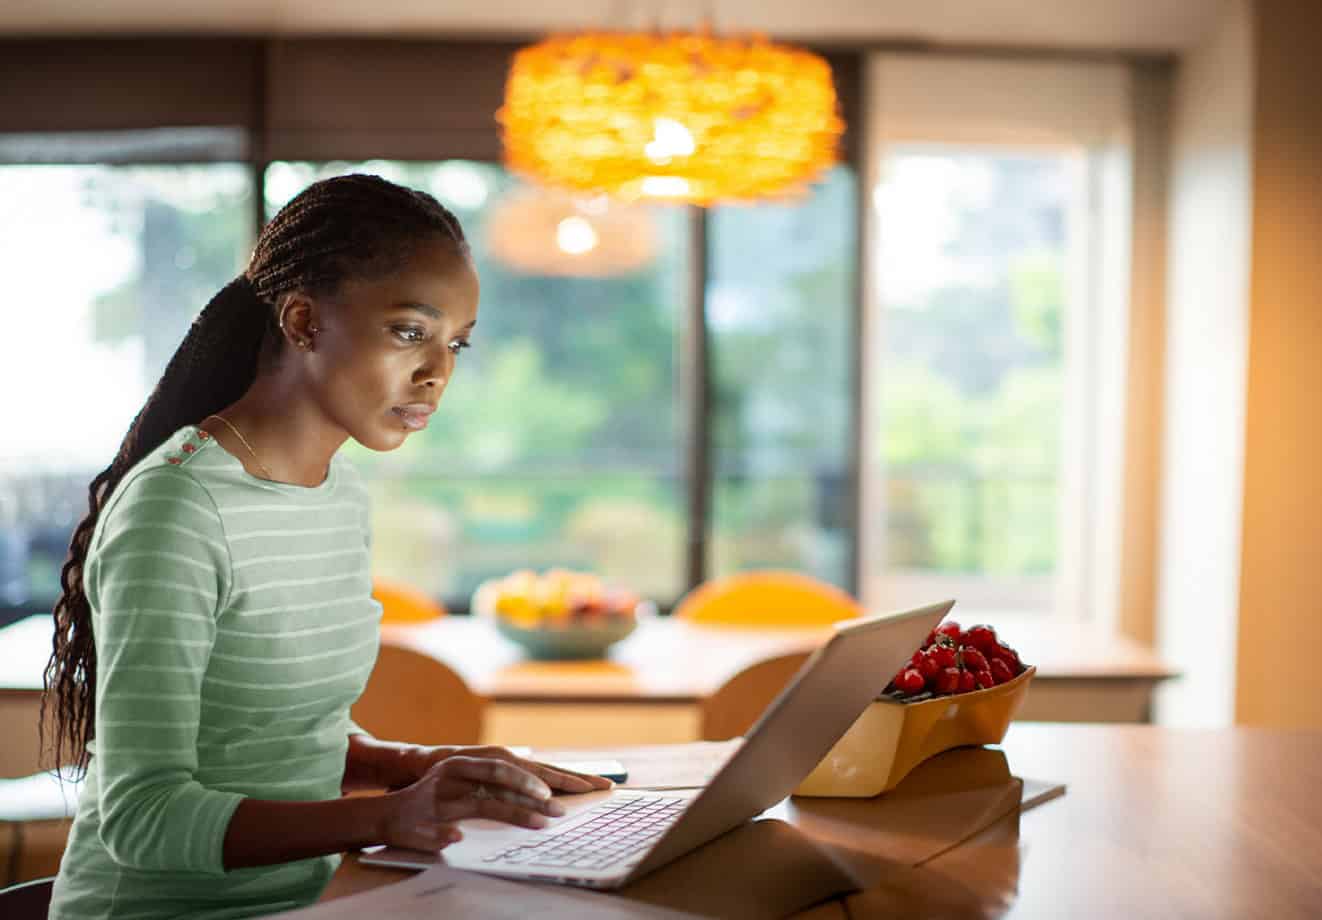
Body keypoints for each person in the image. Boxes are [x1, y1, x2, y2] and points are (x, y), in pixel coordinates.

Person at [42, 173, 611, 919]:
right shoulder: (178, 510)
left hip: (320, 899)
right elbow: (143, 818)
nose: (437, 374)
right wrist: (385, 817)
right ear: (304, 322)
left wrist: (416, 768)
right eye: (410, 332)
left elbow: (267, 734)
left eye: (456, 345)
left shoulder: (337, 490)